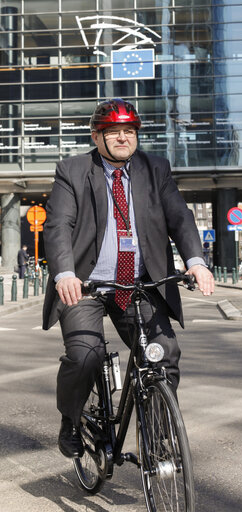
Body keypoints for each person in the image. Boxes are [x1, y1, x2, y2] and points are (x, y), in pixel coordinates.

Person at [42, 98, 214, 459]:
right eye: (113, 132)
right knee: (85, 356)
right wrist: (65, 273)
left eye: (129, 131)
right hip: (86, 286)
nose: (123, 138)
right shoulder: (72, 170)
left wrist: (196, 261)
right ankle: (71, 420)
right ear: (96, 136)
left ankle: (160, 432)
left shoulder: (156, 169)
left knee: (164, 353)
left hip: (138, 284)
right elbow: (59, 226)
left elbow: (180, 217)